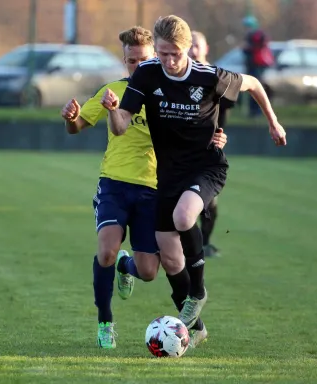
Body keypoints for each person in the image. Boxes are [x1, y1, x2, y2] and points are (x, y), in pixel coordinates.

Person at [100, 15, 286, 330]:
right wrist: (113, 111)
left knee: (184, 217)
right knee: (170, 258)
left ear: (188, 49)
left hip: (206, 167)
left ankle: (197, 293)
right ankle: (196, 330)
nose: (169, 61)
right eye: (162, 53)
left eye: (175, 53)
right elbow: (121, 126)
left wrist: (273, 121)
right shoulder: (146, 74)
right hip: (168, 176)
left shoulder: (208, 76)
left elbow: (253, 84)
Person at [61, 26, 227, 349]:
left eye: (142, 60)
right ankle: (105, 322)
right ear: (124, 60)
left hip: (154, 188)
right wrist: (72, 116)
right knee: (106, 249)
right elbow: (76, 126)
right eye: (130, 61)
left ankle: (128, 265)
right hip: (115, 183)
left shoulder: (170, 95)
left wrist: (217, 138)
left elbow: (200, 125)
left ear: (156, 57)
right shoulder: (113, 90)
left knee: (150, 271)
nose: (136, 67)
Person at [189, 30, 235, 258]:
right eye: (189, 45)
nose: (193, 49)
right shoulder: (178, 79)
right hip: (181, 151)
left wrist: (219, 136)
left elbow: (224, 111)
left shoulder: (218, 78)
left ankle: (204, 243)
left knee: (210, 204)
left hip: (209, 151)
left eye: (197, 44)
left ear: (206, 48)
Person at [241, 15, 274, 118]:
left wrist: (248, 48)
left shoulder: (258, 35)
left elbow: (260, 47)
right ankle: (253, 111)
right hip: (252, 65)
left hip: (258, 65)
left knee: (256, 87)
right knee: (251, 88)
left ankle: (257, 111)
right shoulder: (250, 35)